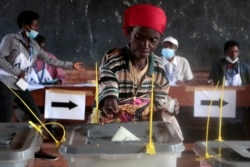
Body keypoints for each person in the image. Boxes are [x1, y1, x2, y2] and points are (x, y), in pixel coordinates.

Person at [90, 4, 183, 140]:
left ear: (158, 39)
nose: (145, 45)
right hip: (112, 122)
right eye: (139, 37)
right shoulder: (114, 60)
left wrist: (165, 108)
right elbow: (108, 82)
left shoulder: (158, 68)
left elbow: (158, 103)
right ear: (129, 33)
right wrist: (110, 101)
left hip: (143, 126)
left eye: (153, 40)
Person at [0, 10, 85, 160]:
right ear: (25, 26)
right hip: (5, 84)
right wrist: (15, 71)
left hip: (20, 86)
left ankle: (37, 149)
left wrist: (71, 65)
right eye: (35, 25)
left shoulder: (34, 45)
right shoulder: (10, 39)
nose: (37, 29)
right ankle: (5, 155)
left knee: (36, 117)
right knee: (5, 122)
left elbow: (50, 60)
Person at [208, 40, 250, 139]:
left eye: (236, 52)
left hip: (240, 102)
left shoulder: (245, 67)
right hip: (223, 100)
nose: (234, 54)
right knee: (223, 126)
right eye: (231, 51)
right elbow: (211, 80)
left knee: (240, 124)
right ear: (225, 52)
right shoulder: (218, 67)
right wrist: (211, 83)